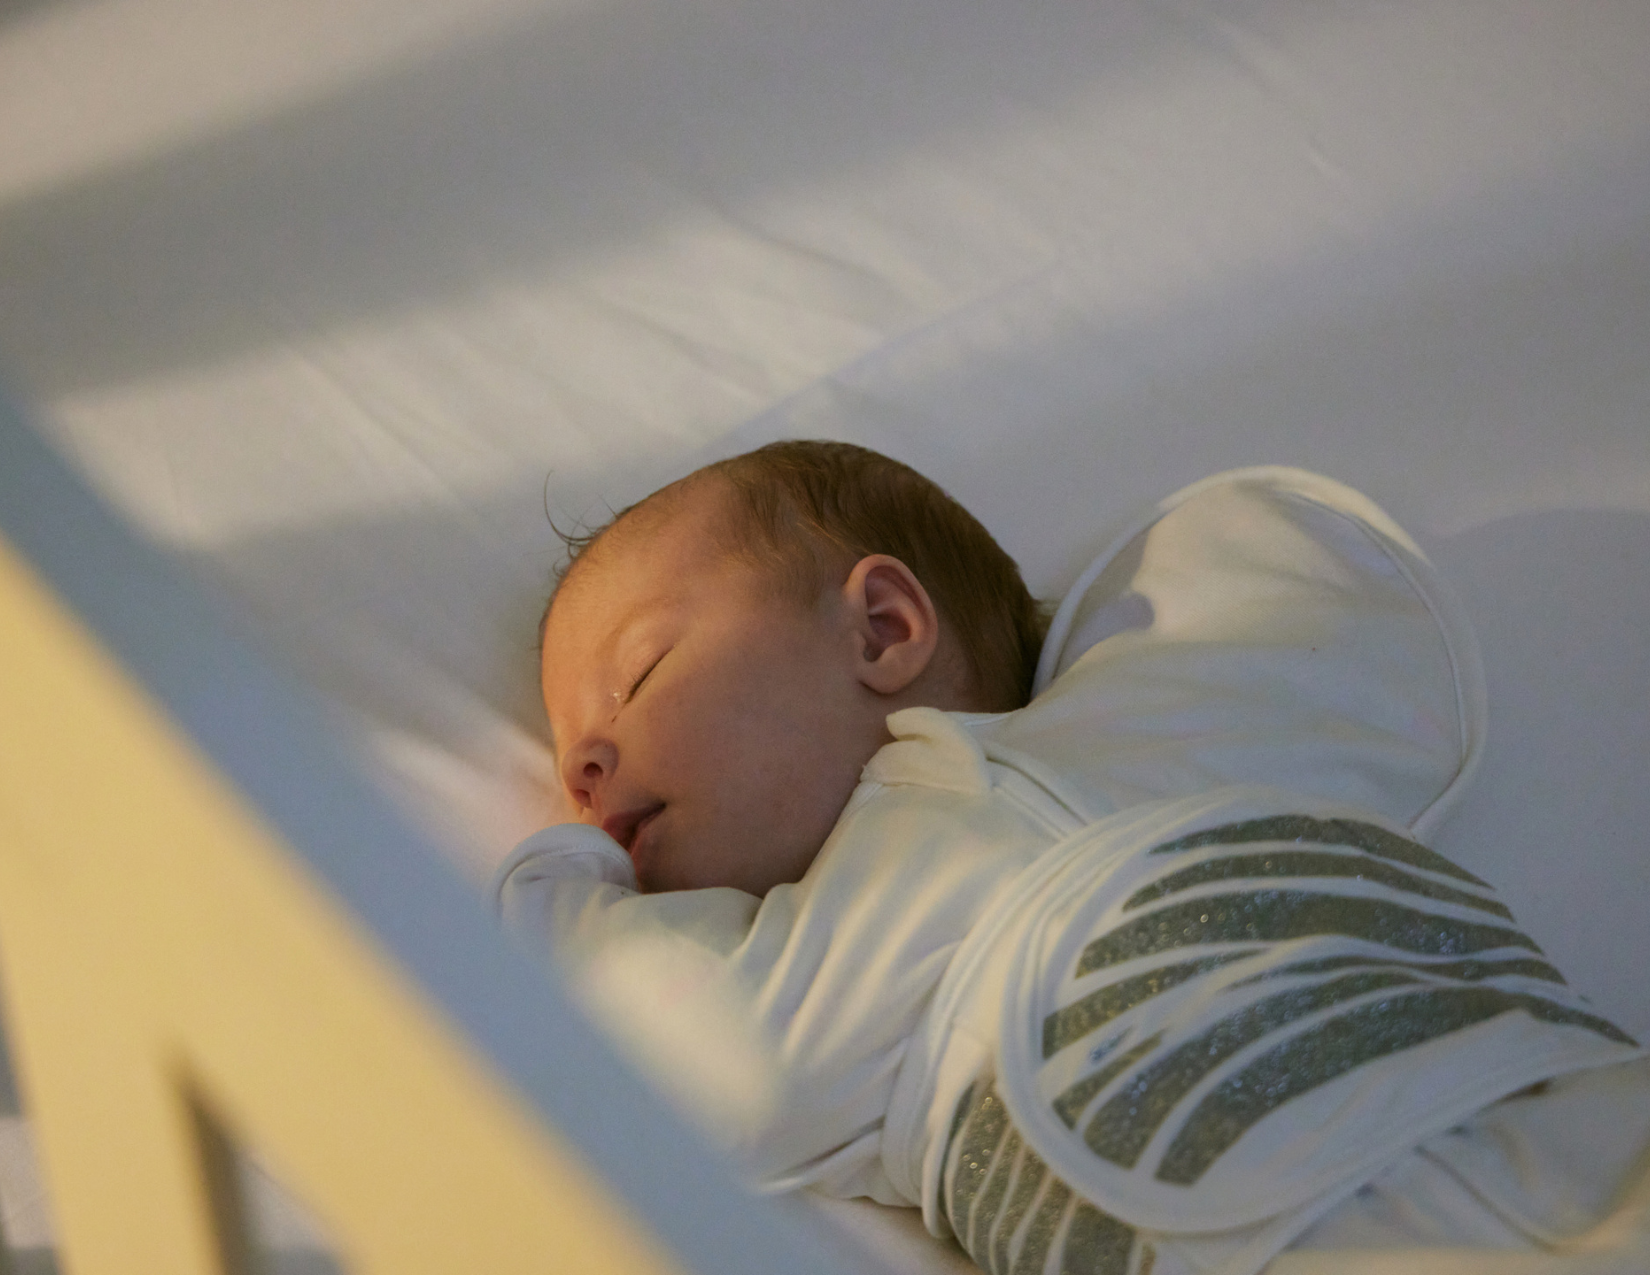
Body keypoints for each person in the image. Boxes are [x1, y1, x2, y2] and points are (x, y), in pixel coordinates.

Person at [497, 441, 1650, 1275]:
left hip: (1576, 1108)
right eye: (567, 761)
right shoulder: (823, 955)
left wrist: (558, 885)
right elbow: (682, 1048)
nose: (583, 768)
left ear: (883, 629)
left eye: (636, 678)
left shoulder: (1152, 725)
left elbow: (1319, 620)